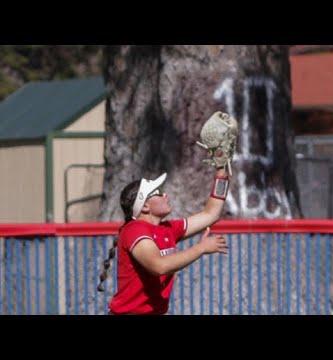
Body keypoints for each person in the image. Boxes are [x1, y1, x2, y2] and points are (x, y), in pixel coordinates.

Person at [97, 111, 237, 315]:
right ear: (144, 206)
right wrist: (200, 249)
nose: (166, 196)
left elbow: (211, 213)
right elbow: (159, 266)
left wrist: (222, 170)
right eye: (158, 193)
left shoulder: (167, 230)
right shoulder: (134, 231)